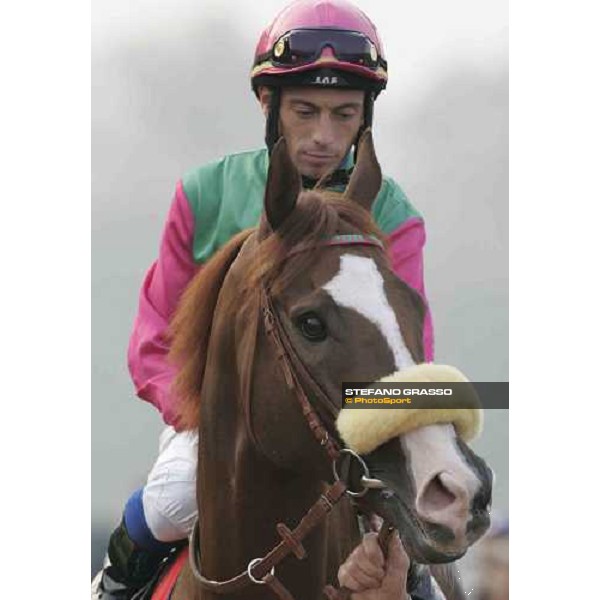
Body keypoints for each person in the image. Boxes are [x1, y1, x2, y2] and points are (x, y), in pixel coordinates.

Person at [92, 1, 436, 598]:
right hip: (219, 424)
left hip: (353, 432)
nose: (324, 137)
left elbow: (410, 351)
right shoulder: (204, 194)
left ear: (365, 118)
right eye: (306, 111)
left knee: (415, 544)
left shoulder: (393, 215)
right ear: (268, 104)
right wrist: (213, 417)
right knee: (170, 497)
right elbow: (154, 342)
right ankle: (111, 585)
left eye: (344, 115)